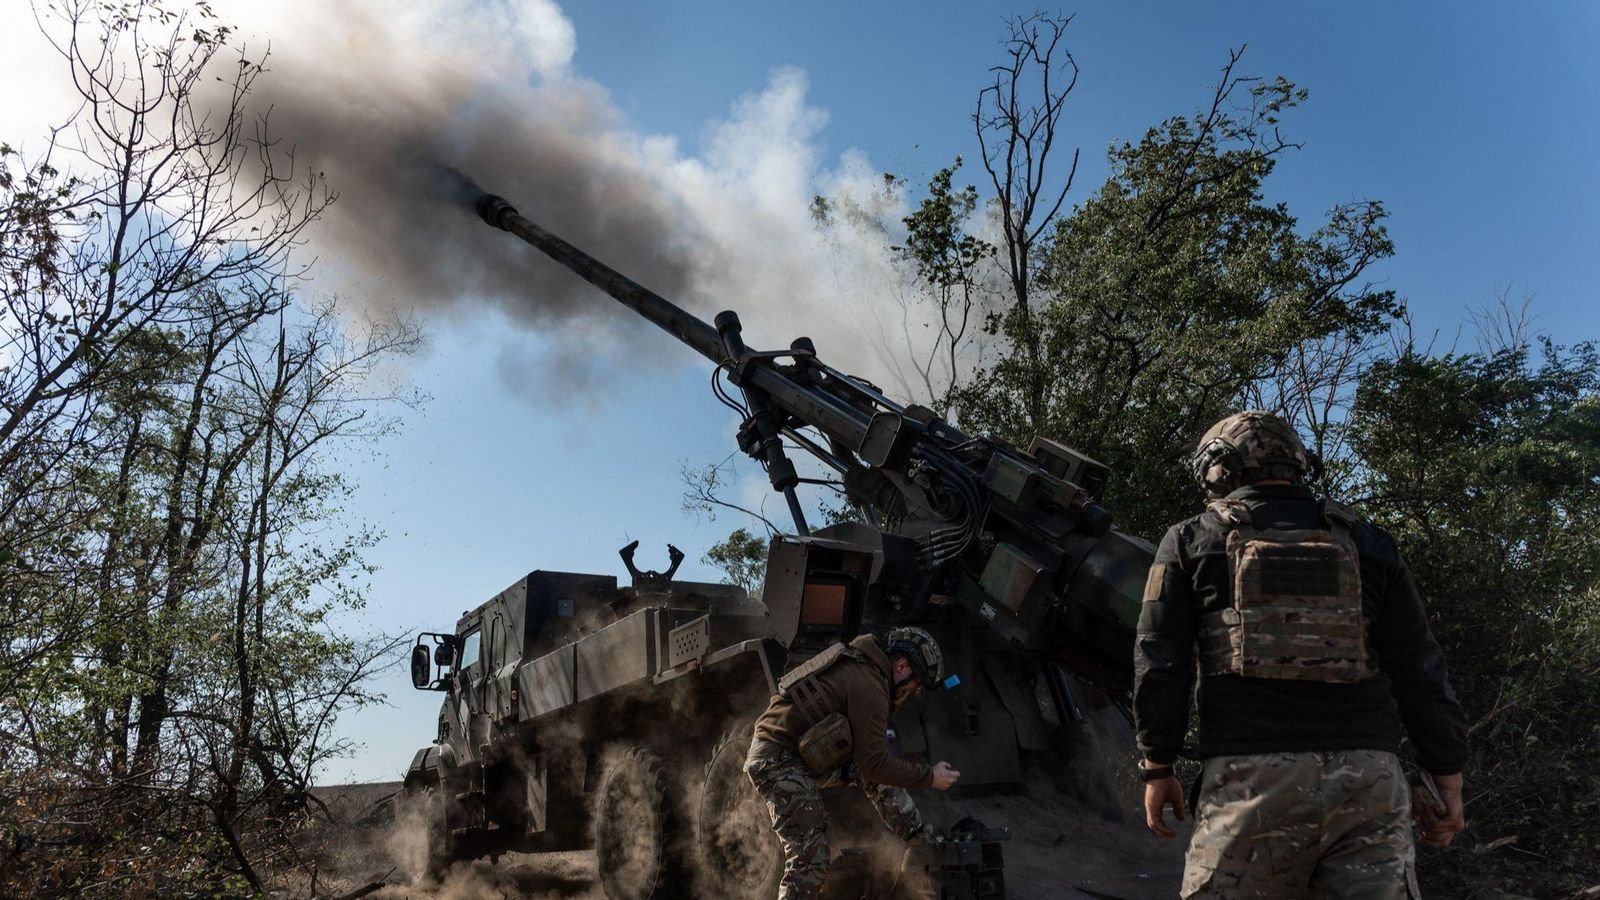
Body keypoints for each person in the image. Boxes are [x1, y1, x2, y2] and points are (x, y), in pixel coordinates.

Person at [1134, 410, 1470, 898]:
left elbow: (1159, 660)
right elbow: (1420, 666)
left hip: (1251, 783)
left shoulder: (1192, 541)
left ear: (1219, 468)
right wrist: (1447, 775)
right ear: (1297, 465)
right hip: (1369, 784)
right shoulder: (1370, 543)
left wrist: (1157, 765)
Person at [745, 626, 962, 900]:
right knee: (810, 859)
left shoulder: (868, 671)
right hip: (778, 760)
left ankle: (917, 839)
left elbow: (869, 766)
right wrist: (929, 776)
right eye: (915, 683)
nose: (912, 691)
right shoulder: (871, 685)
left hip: (798, 756)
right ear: (902, 665)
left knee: (872, 776)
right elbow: (874, 763)